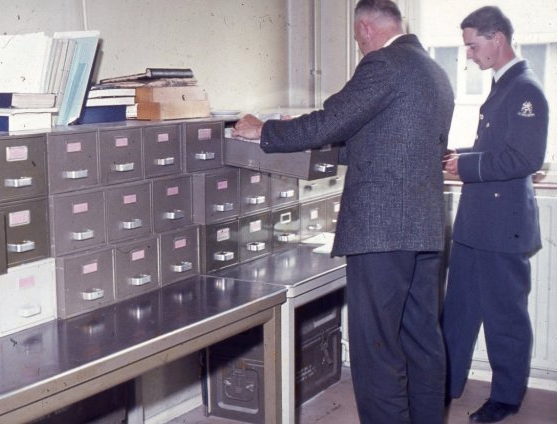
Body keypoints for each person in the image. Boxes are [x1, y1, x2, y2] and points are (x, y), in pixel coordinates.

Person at [232, 1, 454, 422]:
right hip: (424, 227)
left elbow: (329, 121)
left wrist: (265, 130)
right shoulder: (434, 71)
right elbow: (381, 143)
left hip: (382, 230)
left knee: (377, 352)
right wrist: (303, 137)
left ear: (365, 28)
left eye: (356, 39)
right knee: (423, 341)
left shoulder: (384, 63)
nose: (359, 46)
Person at [441, 6, 549, 424]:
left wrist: (466, 166)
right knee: (458, 311)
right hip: (477, 224)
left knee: (505, 318)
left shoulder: (525, 89)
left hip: (503, 227)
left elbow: (525, 158)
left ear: (497, 39)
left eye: (472, 46)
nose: (469, 54)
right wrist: (460, 155)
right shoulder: (503, 86)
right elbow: (495, 146)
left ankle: (506, 398)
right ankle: (444, 386)